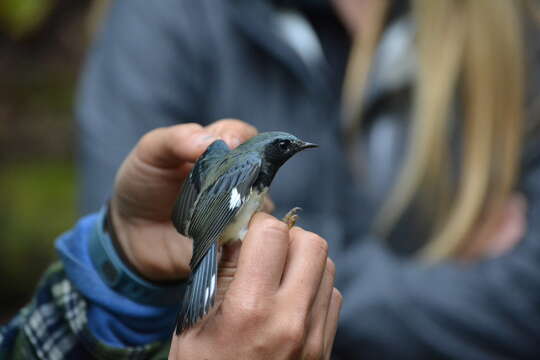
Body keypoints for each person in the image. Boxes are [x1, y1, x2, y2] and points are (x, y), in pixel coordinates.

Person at [77, 0, 540, 358]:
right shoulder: (165, 18)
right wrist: (458, 269)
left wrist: (290, 281)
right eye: (287, 149)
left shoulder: (508, 22)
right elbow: (129, 265)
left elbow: (530, 300)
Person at [0, 120, 342, 359]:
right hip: (213, 233)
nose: (292, 149)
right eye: (285, 146)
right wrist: (205, 241)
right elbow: (222, 209)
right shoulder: (250, 161)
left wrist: (131, 254)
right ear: (271, 149)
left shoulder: (246, 161)